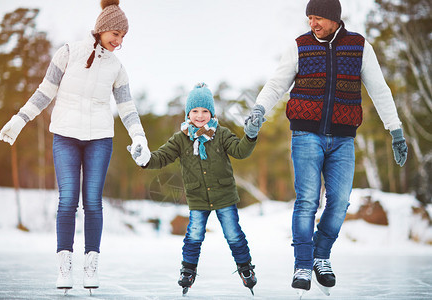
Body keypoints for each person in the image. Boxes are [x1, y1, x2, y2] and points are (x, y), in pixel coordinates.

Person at [244, 0, 408, 295]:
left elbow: (379, 88)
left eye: (318, 17)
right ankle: (303, 264)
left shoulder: (359, 46)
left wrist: (395, 130)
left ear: (334, 18)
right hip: (306, 136)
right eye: (309, 18)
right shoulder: (300, 46)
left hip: (343, 139)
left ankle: (321, 255)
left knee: (341, 201)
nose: (313, 24)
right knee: (307, 200)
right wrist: (258, 110)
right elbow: (276, 84)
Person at [0, 0, 151, 292]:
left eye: (122, 37)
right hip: (65, 136)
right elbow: (45, 91)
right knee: (68, 200)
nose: (118, 42)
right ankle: (64, 267)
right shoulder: (68, 52)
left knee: (93, 202)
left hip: (100, 138)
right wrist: (20, 119)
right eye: (115, 34)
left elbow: (127, 106)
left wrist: (139, 136)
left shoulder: (117, 68)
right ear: (102, 28)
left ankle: (91, 266)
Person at [130, 83, 258, 295]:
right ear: (188, 113)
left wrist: (250, 135)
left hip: (224, 195)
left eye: (205, 111)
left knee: (233, 234)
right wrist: (145, 159)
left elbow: (240, 151)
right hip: (198, 197)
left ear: (212, 113)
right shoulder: (181, 139)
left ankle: (245, 268)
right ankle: (188, 270)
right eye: (195, 111)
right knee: (194, 235)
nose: (200, 115)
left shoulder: (222, 134)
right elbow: (162, 157)